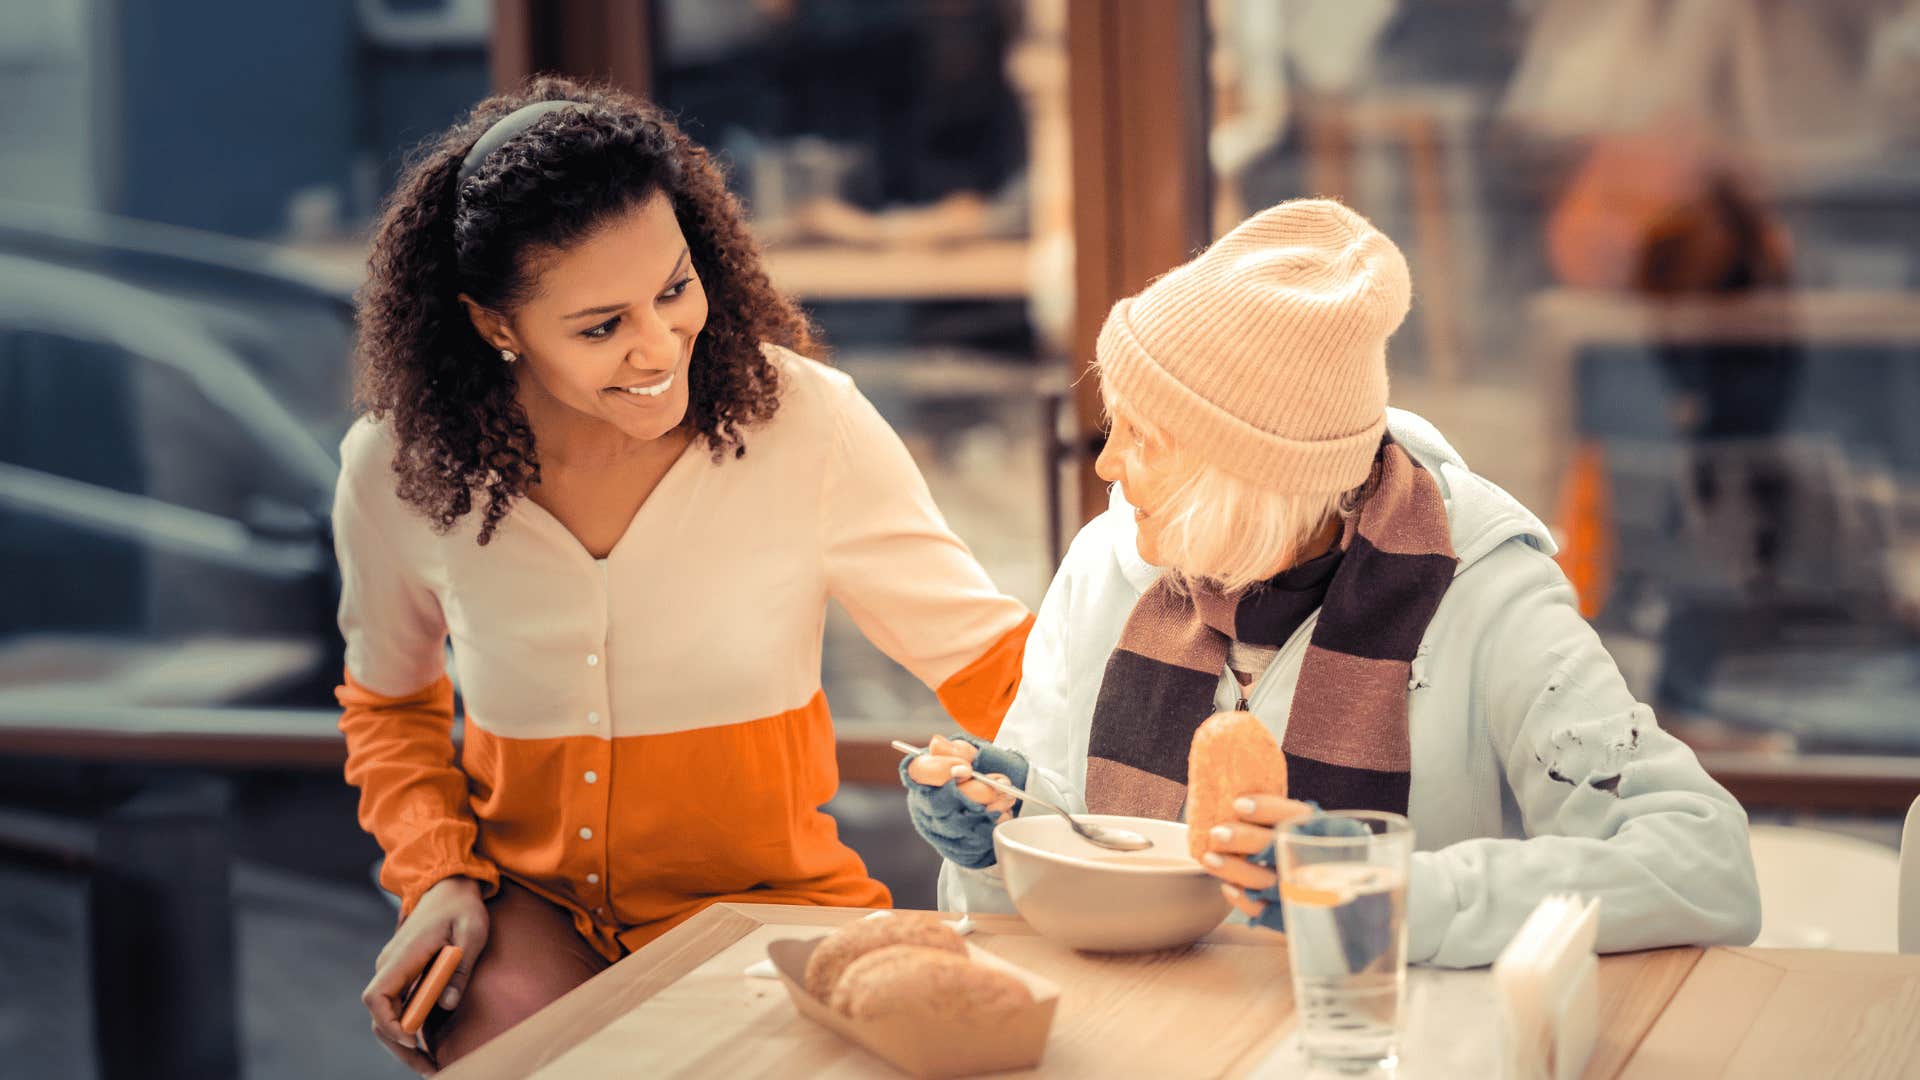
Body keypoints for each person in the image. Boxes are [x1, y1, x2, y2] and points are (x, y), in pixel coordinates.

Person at [338, 77, 1033, 1072]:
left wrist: (1155, 786)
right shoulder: (397, 468)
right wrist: (435, 874)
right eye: (600, 325)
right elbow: (390, 707)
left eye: (673, 289)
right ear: (497, 326)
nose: (658, 345)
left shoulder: (806, 424)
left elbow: (992, 659)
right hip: (528, 912)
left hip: (770, 915)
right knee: (496, 1039)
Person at [902, 198, 1760, 968]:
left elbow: (1702, 865)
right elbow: (1048, 870)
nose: (1107, 463)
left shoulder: (1486, 594)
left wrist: (1384, 894)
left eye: (1145, 436)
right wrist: (999, 842)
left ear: (1251, 474)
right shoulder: (1108, 562)